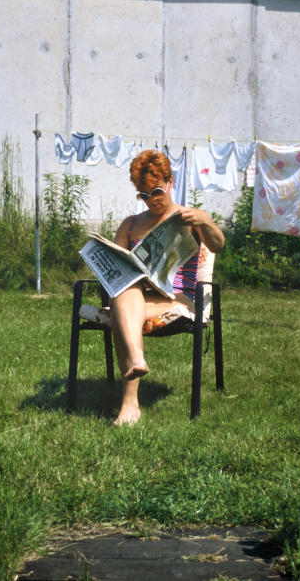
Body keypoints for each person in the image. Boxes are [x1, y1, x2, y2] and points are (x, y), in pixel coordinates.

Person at [110, 150, 225, 425]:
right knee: (124, 295)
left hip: (179, 299)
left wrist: (205, 221)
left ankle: (130, 401)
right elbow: (116, 267)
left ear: (170, 182)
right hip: (140, 297)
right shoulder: (130, 225)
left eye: (157, 191)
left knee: (121, 311)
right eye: (144, 195)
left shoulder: (190, 218)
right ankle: (135, 368)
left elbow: (219, 244)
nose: (152, 200)